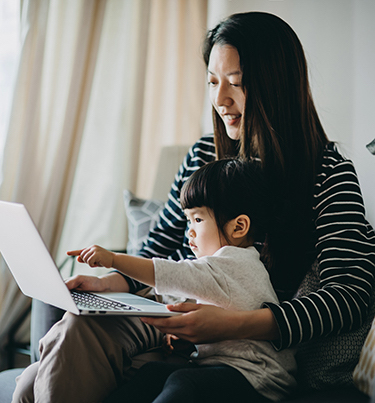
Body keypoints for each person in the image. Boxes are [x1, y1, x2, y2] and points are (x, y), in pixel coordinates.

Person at [13, 11, 375, 403]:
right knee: (71, 332)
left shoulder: (327, 173)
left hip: (251, 349)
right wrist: (111, 283)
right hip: (174, 319)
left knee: (41, 378)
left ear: (277, 86)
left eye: (236, 83)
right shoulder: (204, 154)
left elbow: (348, 296)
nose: (220, 100)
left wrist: (235, 325)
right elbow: (159, 249)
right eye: (213, 82)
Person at [67, 158, 297, 402]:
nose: (190, 231)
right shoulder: (216, 268)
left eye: (198, 220)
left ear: (238, 227)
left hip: (259, 378)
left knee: (183, 381)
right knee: (152, 373)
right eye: (188, 220)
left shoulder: (234, 262)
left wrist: (113, 260)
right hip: (224, 369)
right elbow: (171, 292)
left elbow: (168, 274)